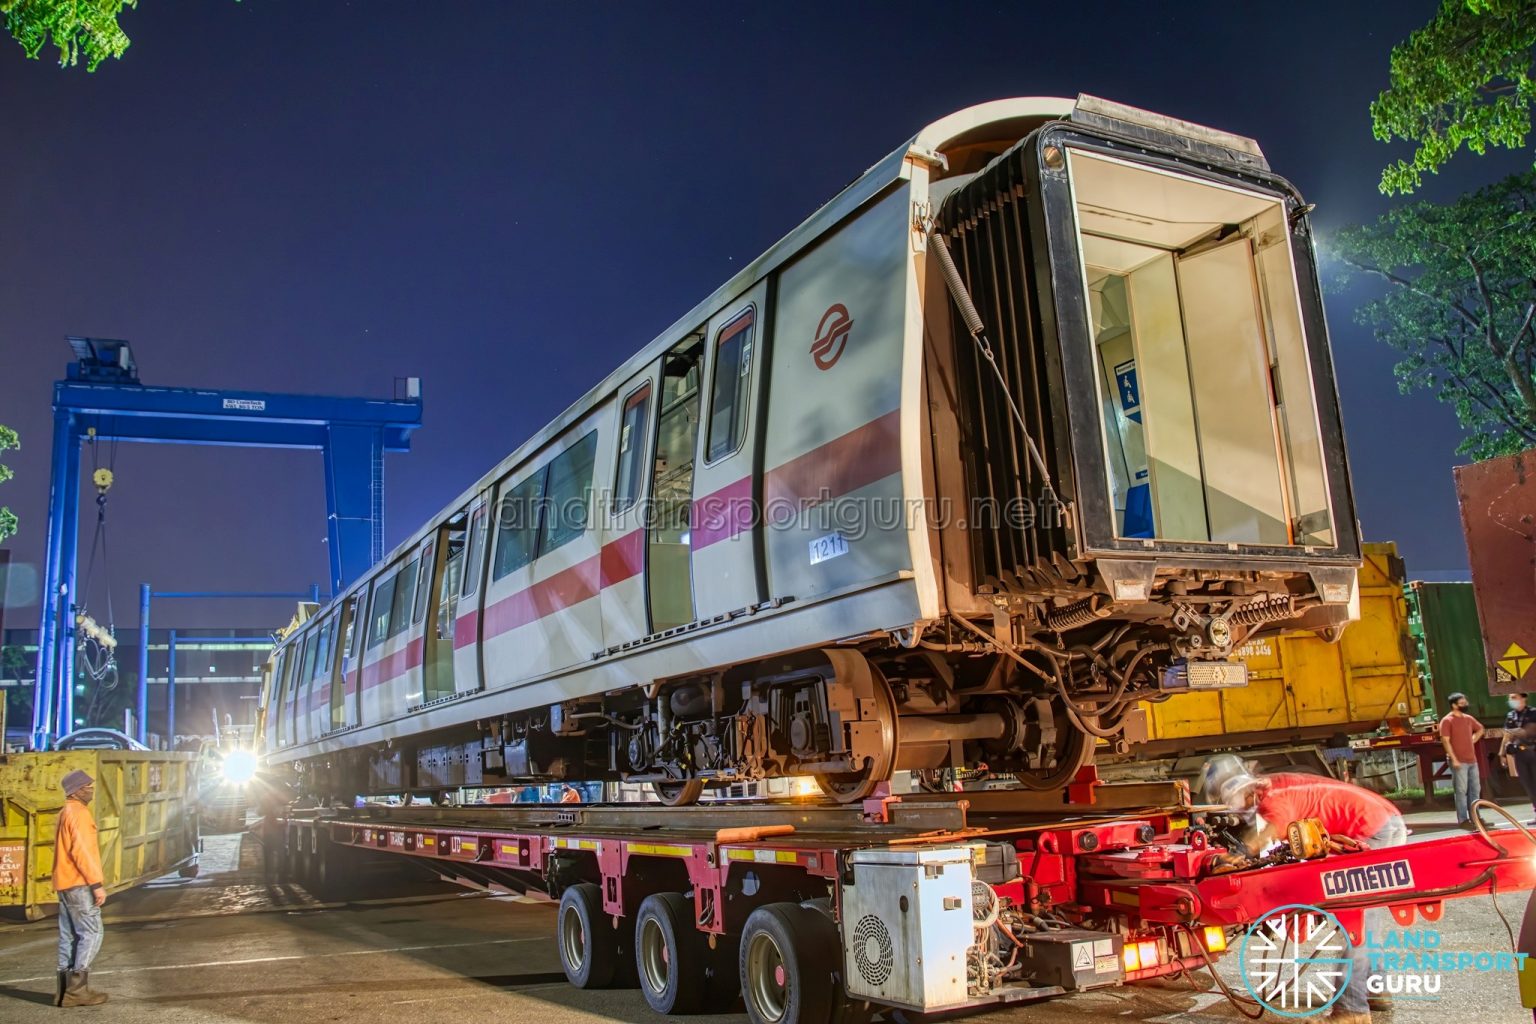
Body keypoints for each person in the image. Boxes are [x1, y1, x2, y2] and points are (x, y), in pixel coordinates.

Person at [1222, 771, 1406, 1024]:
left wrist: (1240, 854)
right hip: (1385, 820)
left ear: (1249, 793)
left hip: (1372, 829)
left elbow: (1272, 829)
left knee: (1353, 921)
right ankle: (1375, 989)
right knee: (1366, 916)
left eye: (1242, 804)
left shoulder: (1273, 799)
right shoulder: (1278, 783)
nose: (1244, 810)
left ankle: (1352, 1010)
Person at [53, 769, 109, 1007]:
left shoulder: (64, 812)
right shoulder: (80, 814)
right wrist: (96, 884)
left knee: (69, 936)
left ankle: (63, 991)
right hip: (79, 883)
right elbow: (83, 852)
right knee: (92, 932)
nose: (91, 789)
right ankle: (77, 991)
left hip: (64, 882)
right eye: (87, 786)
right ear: (76, 790)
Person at [1439, 692, 1485, 829]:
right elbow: (1445, 741)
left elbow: (1480, 729)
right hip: (1459, 762)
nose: (1465, 705)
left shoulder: (1468, 719)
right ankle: (1463, 820)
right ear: (1454, 705)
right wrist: (1454, 759)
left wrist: (1473, 740)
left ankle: (1476, 817)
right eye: (1462, 703)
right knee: (1461, 791)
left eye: (1465, 703)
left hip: (1472, 760)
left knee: (1475, 790)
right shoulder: (1447, 721)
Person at [1501, 692, 1536, 825]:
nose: (1511, 700)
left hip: (1533, 751)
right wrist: (1503, 754)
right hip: (1520, 754)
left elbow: (1529, 731)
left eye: (1514, 697)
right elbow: (1507, 735)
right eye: (1510, 698)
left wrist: (1517, 732)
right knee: (1528, 784)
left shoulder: (1533, 713)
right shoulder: (1511, 715)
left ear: (1523, 698)